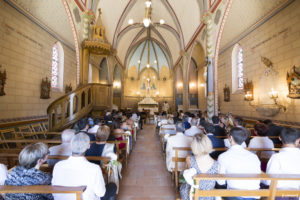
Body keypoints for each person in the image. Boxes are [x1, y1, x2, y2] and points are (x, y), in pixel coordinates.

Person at [52, 132, 117, 200]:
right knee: (112, 186)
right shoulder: (94, 168)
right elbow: (101, 193)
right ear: (88, 146)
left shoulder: (58, 166)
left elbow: (54, 190)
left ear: (70, 146)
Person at [218, 127, 261, 200]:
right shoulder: (254, 157)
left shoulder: (223, 156)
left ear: (230, 138)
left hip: (235, 195)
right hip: (254, 195)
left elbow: (220, 182)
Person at [180, 134, 218, 200]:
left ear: (194, 146)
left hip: (192, 195)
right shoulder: (216, 164)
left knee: (183, 187)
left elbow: (185, 177)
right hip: (208, 196)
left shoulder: (189, 159)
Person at [265, 128, 300, 195]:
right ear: (298, 140)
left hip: (280, 194)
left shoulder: (276, 157)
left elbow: (268, 181)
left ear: (280, 138)